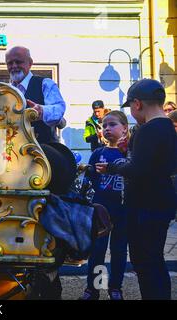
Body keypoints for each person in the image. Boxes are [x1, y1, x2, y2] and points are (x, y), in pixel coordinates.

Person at [96, 79, 177, 300]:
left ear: (137, 104)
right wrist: (128, 149)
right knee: (155, 261)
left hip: (144, 208)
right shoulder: (168, 126)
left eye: (131, 107)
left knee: (145, 263)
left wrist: (111, 166)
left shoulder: (147, 129)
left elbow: (137, 169)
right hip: (160, 203)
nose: (131, 112)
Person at [79, 111, 129, 300]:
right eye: (104, 126)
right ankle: (93, 289)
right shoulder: (98, 153)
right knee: (98, 251)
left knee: (119, 250)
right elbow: (88, 180)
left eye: (113, 124)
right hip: (100, 210)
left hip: (124, 211)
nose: (107, 129)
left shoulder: (130, 153)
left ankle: (115, 288)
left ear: (124, 128)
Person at [5, 46, 66, 143]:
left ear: (30, 63)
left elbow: (59, 108)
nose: (14, 66)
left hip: (43, 151)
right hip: (13, 151)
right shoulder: (5, 91)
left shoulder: (45, 84)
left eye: (18, 62)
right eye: (10, 63)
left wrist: (42, 110)